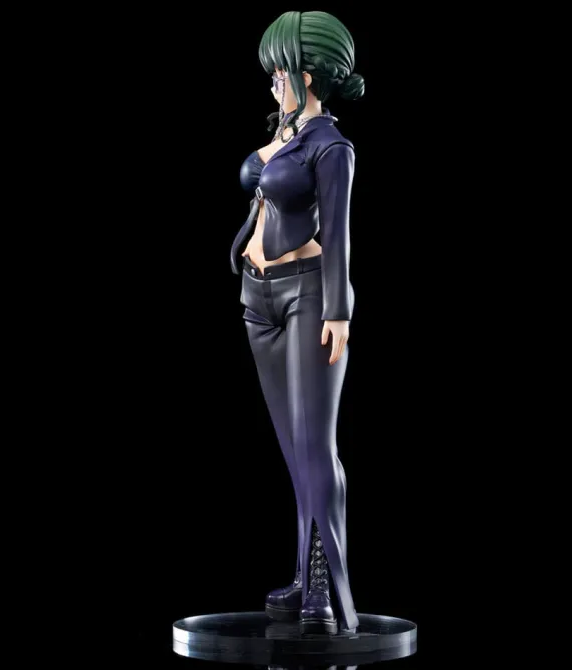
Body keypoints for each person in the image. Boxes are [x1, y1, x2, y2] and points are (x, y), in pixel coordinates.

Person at [229, 10, 365, 635]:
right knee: (292, 448)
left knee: (315, 448)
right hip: (257, 299)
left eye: (278, 72)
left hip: (307, 297)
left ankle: (327, 592)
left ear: (306, 76)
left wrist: (339, 311)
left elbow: (337, 235)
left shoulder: (331, 147)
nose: (271, 83)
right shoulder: (286, 133)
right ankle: (302, 576)